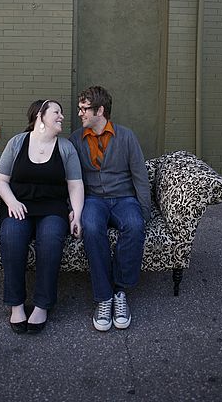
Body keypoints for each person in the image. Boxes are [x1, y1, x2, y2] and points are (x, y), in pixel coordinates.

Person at [0, 99, 84, 334]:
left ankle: (42, 304)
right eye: (57, 112)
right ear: (40, 116)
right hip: (18, 206)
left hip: (52, 208)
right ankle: (16, 304)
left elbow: (75, 185)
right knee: (12, 239)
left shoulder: (65, 148)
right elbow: (1, 180)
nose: (62, 117)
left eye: (62, 113)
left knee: (51, 241)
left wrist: (76, 216)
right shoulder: (17, 142)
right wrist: (11, 201)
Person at [69, 85, 151, 331]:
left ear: (100, 110)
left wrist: (143, 211)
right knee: (92, 228)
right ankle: (103, 297)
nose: (80, 113)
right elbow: (71, 181)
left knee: (135, 225)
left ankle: (119, 291)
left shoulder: (126, 137)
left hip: (124, 198)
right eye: (80, 108)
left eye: (85, 109)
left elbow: (140, 176)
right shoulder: (75, 139)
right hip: (93, 199)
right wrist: (73, 210)